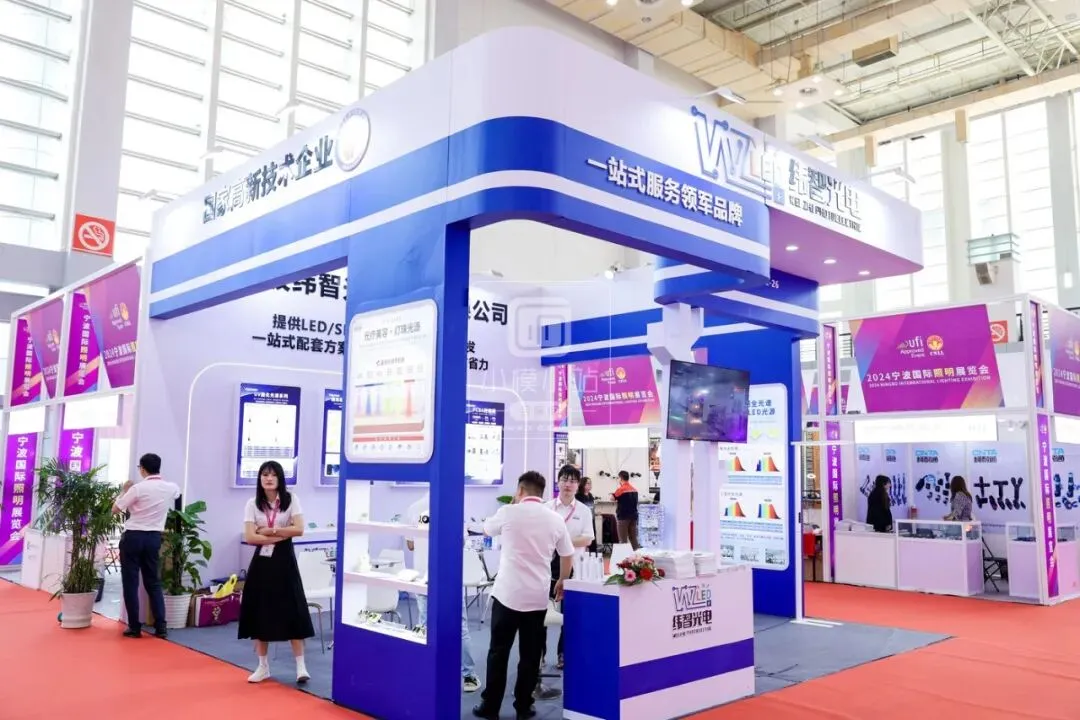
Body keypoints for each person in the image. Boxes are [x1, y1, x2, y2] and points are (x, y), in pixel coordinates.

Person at [473, 472, 574, 720]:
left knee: (498, 652)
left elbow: (485, 529)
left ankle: (491, 707)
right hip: (536, 597)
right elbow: (567, 554)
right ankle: (523, 706)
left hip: (507, 595)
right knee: (530, 655)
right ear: (542, 493)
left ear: (520, 490)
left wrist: (510, 506)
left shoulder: (508, 512)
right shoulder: (555, 519)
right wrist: (562, 580)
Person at [237, 461, 315, 685]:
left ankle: (301, 666)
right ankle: (263, 667)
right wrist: (282, 534)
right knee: (260, 611)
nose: (268, 479)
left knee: (293, 609)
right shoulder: (252, 503)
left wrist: (269, 530)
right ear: (259, 479)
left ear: (280, 478)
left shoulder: (291, 499)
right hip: (262, 562)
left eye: (273, 475)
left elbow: (299, 529)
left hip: (285, 561)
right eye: (264, 475)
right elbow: (250, 537)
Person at [404, 492, 482, 692]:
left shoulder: (414, 507)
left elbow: (410, 545)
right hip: (449, 577)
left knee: (425, 625)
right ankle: (468, 676)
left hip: (423, 577)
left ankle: (426, 672)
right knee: (460, 627)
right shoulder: (452, 505)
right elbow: (461, 542)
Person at [111, 453, 180, 639]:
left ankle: (134, 627)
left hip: (133, 537)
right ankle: (161, 627)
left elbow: (115, 509)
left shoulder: (137, 489)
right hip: (153, 539)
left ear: (142, 469)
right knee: (153, 582)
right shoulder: (170, 487)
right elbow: (177, 494)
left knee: (130, 583)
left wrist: (124, 491)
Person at [544, 465, 594, 674]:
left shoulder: (583, 510)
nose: (568, 484)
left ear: (577, 485)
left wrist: (563, 542)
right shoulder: (547, 508)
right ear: (558, 481)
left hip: (574, 566)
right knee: (541, 610)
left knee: (570, 613)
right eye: (564, 479)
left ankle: (563, 653)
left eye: (572, 481)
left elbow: (588, 538)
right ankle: (539, 654)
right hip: (546, 565)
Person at [612, 471, 640, 549]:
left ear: (620, 478)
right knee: (633, 539)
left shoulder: (621, 489)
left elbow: (612, 498)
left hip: (623, 517)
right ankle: (637, 555)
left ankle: (624, 555)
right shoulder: (634, 489)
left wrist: (613, 495)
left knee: (623, 540)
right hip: (634, 517)